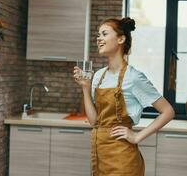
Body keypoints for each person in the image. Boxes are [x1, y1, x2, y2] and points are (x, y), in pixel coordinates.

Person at [73, 17, 175, 176]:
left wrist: (137, 136)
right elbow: (94, 121)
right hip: (100, 156)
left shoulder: (133, 77)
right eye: (98, 35)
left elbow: (168, 111)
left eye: (104, 34)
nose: (99, 38)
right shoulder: (99, 76)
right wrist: (85, 88)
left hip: (123, 160)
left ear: (121, 39)